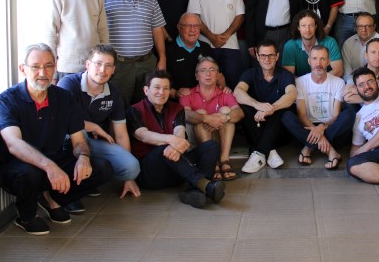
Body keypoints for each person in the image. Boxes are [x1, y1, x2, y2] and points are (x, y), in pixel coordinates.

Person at [0, 44, 112, 234]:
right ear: (23, 69)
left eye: (48, 66)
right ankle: (27, 216)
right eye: (35, 67)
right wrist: (49, 166)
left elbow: (78, 141)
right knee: (29, 174)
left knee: (102, 168)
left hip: (54, 162)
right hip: (18, 167)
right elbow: (14, 144)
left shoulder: (64, 98)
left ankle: (53, 199)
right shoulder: (7, 100)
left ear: (55, 67)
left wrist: (83, 158)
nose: (43, 73)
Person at [58, 44, 142, 212]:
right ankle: (69, 194)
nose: (102, 70)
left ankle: (88, 181)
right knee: (79, 132)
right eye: (98, 63)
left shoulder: (114, 94)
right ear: (88, 65)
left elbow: (121, 135)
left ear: (113, 70)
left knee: (131, 167)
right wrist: (93, 126)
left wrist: (128, 178)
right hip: (67, 140)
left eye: (108, 65)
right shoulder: (68, 84)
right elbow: (61, 120)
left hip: (92, 143)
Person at [127, 70, 225, 209]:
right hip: (150, 174)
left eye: (166, 88)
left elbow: (180, 130)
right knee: (163, 148)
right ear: (146, 90)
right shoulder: (134, 110)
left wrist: (175, 144)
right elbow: (143, 135)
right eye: (157, 87)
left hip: (177, 168)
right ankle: (206, 185)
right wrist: (171, 140)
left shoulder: (177, 108)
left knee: (211, 146)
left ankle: (194, 190)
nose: (161, 92)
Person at [102, 0, 166, 106]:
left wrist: (162, 58)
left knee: (145, 106)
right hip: (119, 65)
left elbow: (157, 29)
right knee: (118, 106)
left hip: (147, 63)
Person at [281, 46, 355, 169]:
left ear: (328, 61)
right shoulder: (300, 82)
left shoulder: (339, 82)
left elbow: (335, 115)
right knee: (286, 116)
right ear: (309, 61)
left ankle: (308, 147)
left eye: (322, 59)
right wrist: (317, 132)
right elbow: (302, 115)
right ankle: (330, 150)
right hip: (307, 126)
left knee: (349, 115)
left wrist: (322, 127)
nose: (318, 63)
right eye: (314, 59)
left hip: (330, 127)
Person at [44, 0, 108, 78]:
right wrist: (51, 69)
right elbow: (50, 34)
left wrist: (105, 60)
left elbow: (103, 30)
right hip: (66, 68)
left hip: (94, 67)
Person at [235, 40, 297, 173]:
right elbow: (238, 92)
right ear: (257, 57)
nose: (267, 59)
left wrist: (270, 109)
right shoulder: (249, 73)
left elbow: (292, 94)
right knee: (244, 107)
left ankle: (258, 154)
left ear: (277, 56)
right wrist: (258, 105)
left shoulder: (285, 75)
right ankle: (270, 152)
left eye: (270, 55)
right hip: (255, 128)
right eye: (263, 55)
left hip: (278, 133)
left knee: (283, 109)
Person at [180, 57, 243, 181]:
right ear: (196, 76)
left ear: (218, 74)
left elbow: (239, 113)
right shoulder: (187, 93)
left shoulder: (225, 93)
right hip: (196, 140)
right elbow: (185, 114)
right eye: (203, 70)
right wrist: (206, 118)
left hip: (219, 136)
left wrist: (224, 118)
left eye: (212, 70)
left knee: (226, 112)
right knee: (200, 113)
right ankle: (211, 162)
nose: (208, 74)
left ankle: (224, 160)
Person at [187, 0, 245, 90]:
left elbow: (240, 16)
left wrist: (226, 34)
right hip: (206, 46)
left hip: (230, 46)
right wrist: (212, 37)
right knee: (207, 86)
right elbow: (194, 17)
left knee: (233, 86)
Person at [165, 12, 227, 100]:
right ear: (179, 27)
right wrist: (175, 93)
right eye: (188, 26)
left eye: (196, 26)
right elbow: (160, 81)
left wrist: (224, 95)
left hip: (205, 99)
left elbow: (218, 75)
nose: (192, 30)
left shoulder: (206, 48)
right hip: (179, 100)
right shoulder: (168, 49)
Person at [282, 10, 343, 77]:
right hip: (300, 83)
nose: (307, 30)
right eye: (303, 26)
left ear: (316, 26)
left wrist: (317, 80)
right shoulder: (290, 46)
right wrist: (309, 82)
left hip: (327, 82)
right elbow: (289, 76)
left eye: (311, 25)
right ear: (298, 27)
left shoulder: (330, 42)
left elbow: (338, 71)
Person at [343, 38, 379, 105]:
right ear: (366, 55)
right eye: (373, 52)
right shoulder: (356, 74)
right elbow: (347, 96)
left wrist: (371, 92)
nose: (377, 57)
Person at [341, 12, 379, 82]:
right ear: (356, 27)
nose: (364, 30)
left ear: (374, 27)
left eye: (368, 26)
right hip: (354, 82)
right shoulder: (348, 43)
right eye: (360, 26)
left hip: (377, 82)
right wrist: (355, 85)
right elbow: (347, 73)